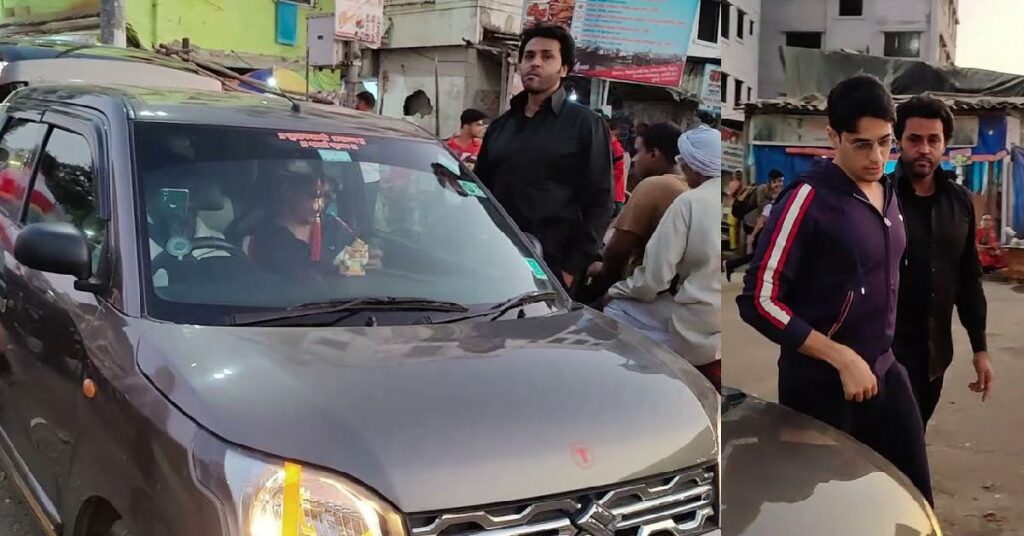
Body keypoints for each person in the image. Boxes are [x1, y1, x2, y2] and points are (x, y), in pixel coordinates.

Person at [736, 75, 932, 505]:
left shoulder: (888, 191)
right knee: (825, 513)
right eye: (862, 144)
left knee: (912, 498)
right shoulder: (807, 198)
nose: (877, 156)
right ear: (833, 136)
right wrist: (840, 357)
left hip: (883, 369)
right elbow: (758, 300)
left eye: (886, 143)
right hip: (820, 386)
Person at [474, 23, 613, 291]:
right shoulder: (501, 126)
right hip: (494, 261)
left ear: (564, 68)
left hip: (552, 268)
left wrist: (571, 270)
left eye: (547, 56)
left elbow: (600, 201)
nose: (535, 63)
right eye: (529, 56)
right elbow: (482, 193)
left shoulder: (585, 124)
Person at [891, 95, 994, 429]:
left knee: (914, 438)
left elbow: (968, 278)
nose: (924, 149)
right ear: (899, 142)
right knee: (884, 450)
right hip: (883, 356)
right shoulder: (880, 197)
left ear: (944, 144)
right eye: (914, 139)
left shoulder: (960, 202)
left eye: (933, 140)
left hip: (935, 358)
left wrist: (980, 349)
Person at [605, 125, 722, 389]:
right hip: (718, 320)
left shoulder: (688, 202)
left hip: (694, 325)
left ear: (694, 166)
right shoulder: (721, 196)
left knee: (614, 308)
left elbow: (653, 280)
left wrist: (616, 289)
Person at [585, 122, 685, 297]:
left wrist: (603, 271)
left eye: (639, 151)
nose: (635, 159)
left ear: (654, 153)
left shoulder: (655, 185)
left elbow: (617, 250)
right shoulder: (688, 186)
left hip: (643, 294)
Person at [248, 170, 366, 278]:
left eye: (325, 196)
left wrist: (365, 260)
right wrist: (337, 269)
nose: (320, 205)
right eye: (313, 196)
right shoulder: (262, 238)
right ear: (287, 190)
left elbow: (359, 255)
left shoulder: (335, 226)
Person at [725, 169, 784, 281]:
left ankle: (734, 266)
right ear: (771, 181)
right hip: (752, 224)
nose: (780, 184)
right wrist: (753, 235)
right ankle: (746, 273)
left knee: (758, 254)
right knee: (759, 254)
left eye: (781, 181)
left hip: (759, 224)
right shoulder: (762, 190)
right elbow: (762, 212)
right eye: (778, 181)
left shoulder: (773, 192)